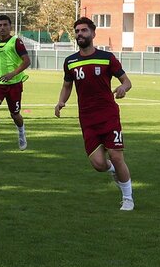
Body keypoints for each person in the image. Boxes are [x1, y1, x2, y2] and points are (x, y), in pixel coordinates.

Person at [54, 18, 135, 211]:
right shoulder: (70, 61)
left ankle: (128, 198)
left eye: (84, 30)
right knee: (99, 164)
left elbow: (127, 82)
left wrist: (123, 88)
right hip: (87, 119)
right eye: (77, 31)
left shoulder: (107, 58)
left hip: (108, 116)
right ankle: (114, 170)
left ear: (93, 33)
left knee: (116, 155)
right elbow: (67, 85)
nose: (80, 34)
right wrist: (61, 101)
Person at [0, 15, 31, 153]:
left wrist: (13, 74)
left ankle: (21, 132)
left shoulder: (16, 42)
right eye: (0, 25)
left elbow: (27, 61)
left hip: (14, 83)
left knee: (15, 115)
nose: (2, 27)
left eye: (5, 25)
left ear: (10, 27)